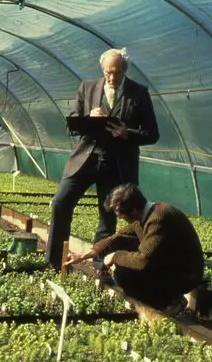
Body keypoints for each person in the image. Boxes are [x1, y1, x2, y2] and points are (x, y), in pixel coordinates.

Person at [45, 48, 160, 271]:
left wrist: (129, 134)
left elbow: (153, 133)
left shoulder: (139, 92)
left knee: (107, 217)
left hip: (116, 164)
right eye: (108, 72)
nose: (111, 77)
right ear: (102, 70)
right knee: (60, 202)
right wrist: (89, 119)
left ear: (125, 70)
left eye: (116, 72)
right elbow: (72, 124)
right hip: (85, 159)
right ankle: (54, 261)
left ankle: (100, 266)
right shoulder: (87, 88)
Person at [64, 183, 204, 314]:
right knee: (125, 260)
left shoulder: (159, 218)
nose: (120, 219)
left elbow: (143, 260)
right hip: (169, 264)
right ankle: (168, 298)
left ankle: (170, 301)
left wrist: (115, 256)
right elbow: (118, 238)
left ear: (135, 210)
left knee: (125, 274)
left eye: (122, 216)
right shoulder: (144, 215)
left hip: (186, 274)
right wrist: (83, 255)